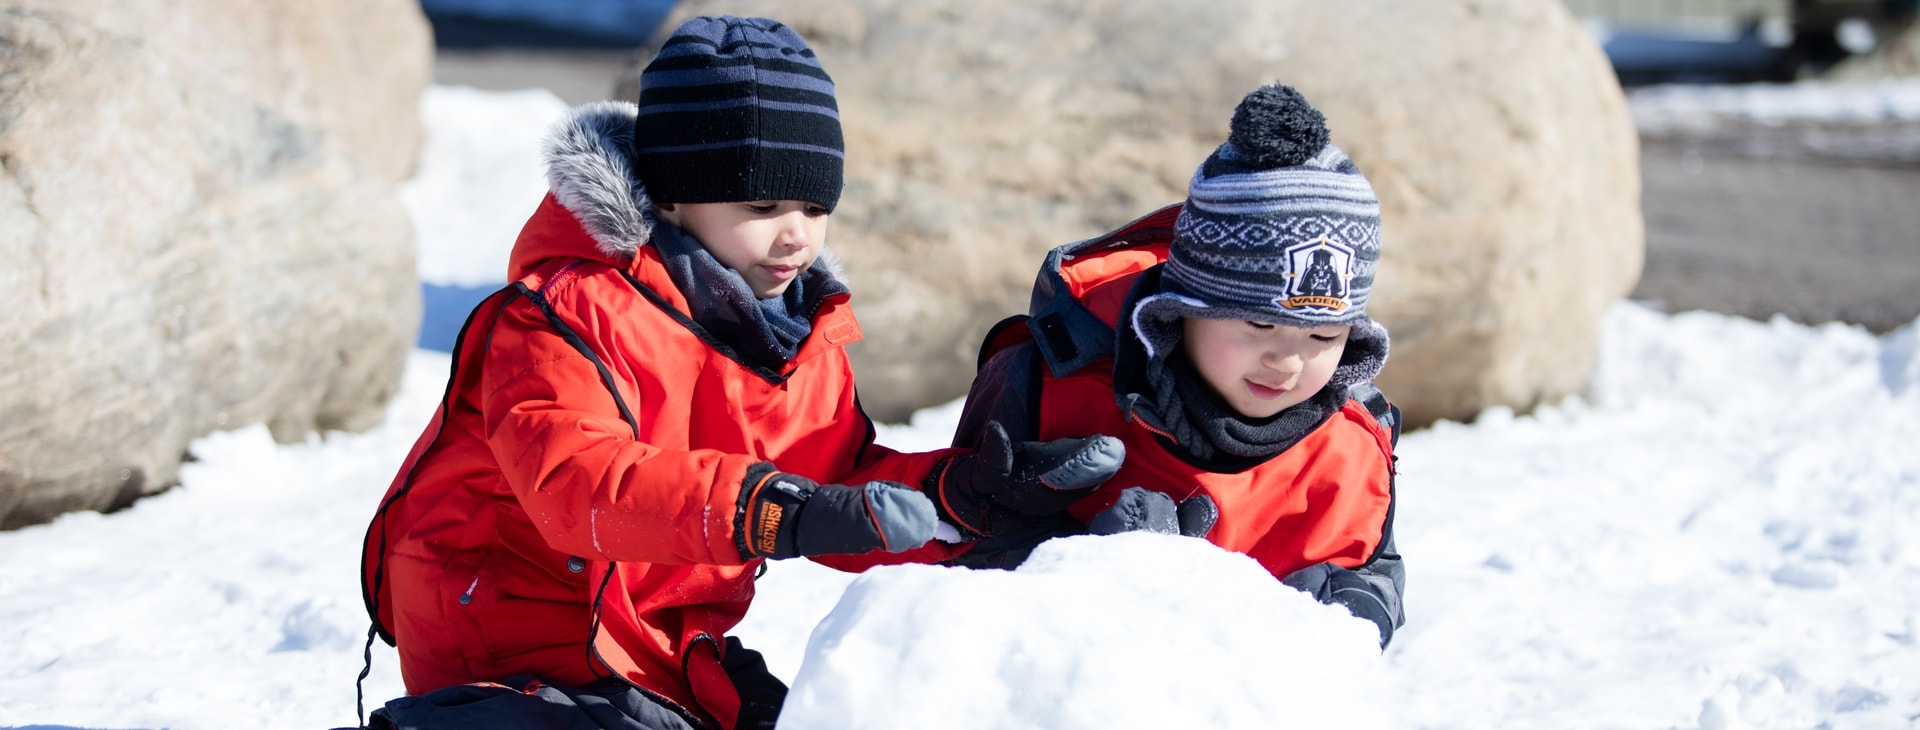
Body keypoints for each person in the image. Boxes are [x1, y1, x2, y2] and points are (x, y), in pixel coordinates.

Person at [354, 16, 1121, 730]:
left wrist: (964, 503)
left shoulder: (789, 332)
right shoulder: (563, 312)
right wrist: (774, 511)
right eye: (763, 204)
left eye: (816, 207)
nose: (797, 237)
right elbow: (576, 483)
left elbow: (837, 475)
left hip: (663, 640)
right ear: (676, 195)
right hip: (510, 636)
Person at [945, 83, 1408, 647]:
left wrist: (1352, 615)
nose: (1287, 360)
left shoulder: (1353, 440)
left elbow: (1371, 567)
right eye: (1257, 325)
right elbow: (951, 549)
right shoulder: (1047, 384)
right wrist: (1079, 555)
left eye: (1323, 334)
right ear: (1180, 314)